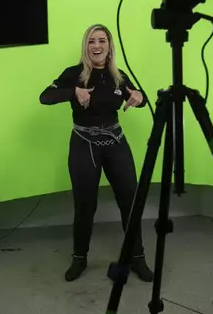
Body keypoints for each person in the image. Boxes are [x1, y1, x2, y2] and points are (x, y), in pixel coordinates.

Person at [39, 24, 154, 283]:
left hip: (115, 143)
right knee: (85, 206)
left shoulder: (118, 76)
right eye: (92, 41)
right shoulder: (74, 74)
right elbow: (45, 97)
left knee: (130, 202)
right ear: (86, 46)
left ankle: (138, 258)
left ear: (109, 46)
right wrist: (72, 92)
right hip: (83, 144)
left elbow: (139, 97)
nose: (97, 46)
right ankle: (79, 258)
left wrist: (139, 96)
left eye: (102, 40)